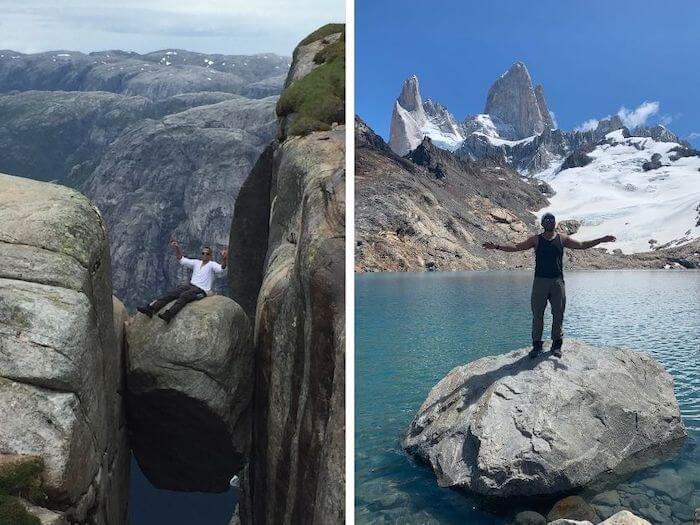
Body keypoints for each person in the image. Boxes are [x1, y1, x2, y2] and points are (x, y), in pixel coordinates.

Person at [482, 213, 616, 358]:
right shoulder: (536, 240)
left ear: (554, 223)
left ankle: (556, 346)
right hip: (540, 281)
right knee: (537, 314)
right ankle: (537, 346)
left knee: (558, 313)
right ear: (543, 224)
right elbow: (517, 247)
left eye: (551, 220)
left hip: (557, 282)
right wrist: (496, 246)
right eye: (547, 220)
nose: (549, 222)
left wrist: (601, 240)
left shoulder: (562, 239)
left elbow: (582, 245)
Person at [137, 240, 228, 323]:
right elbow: (181, 259)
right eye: (203, 253)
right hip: (191, 285)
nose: (204, 255)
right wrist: (177, 248)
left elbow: (221, 268)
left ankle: (169, 314)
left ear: (210, 256)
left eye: (207, 254)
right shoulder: (196, 263)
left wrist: (224, 258)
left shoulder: (212, 265)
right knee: (172, 293)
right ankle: (151, 309)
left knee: (184, 296)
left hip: (201, 290)